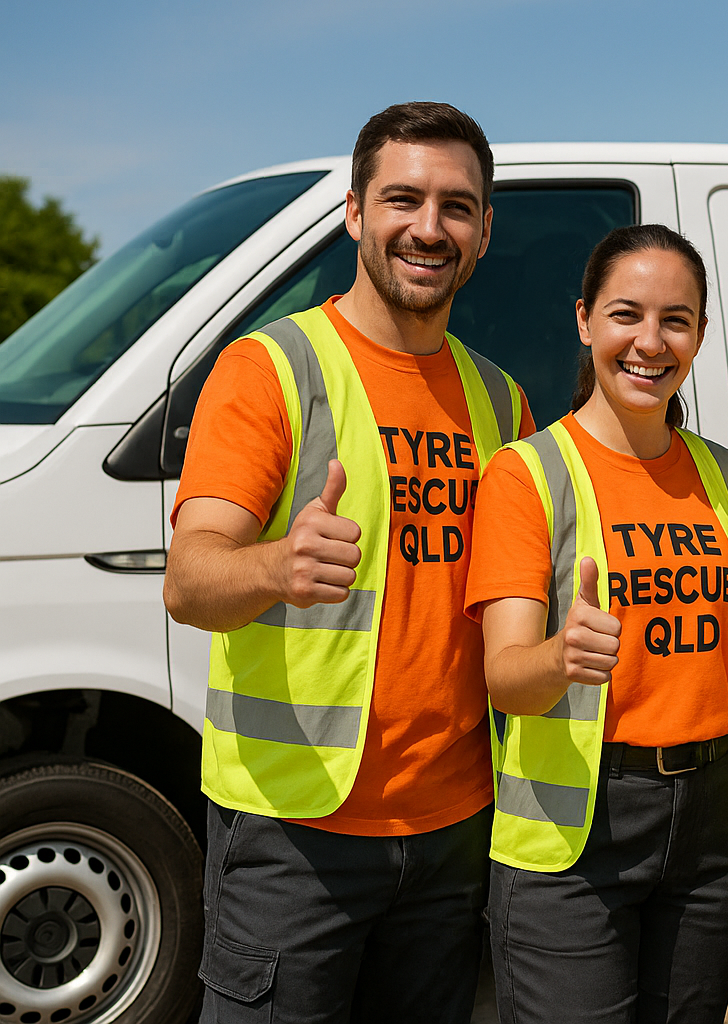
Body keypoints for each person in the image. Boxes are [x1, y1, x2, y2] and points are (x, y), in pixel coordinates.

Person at [164, 101, 532, 1024]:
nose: (428, 226)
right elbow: (189, 579)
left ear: (484, 230)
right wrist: (278, 566)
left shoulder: (502, 401)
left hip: (454, 829)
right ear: (355, 214)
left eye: (456, 205)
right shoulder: (270, 368)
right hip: (295, 836)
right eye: (403, 198)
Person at [467, 224, 728, 1024]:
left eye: (677, 320)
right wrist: (561, 656)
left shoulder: (723, 474)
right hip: (573, 841)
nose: (650, 343)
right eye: (627, 314)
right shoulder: (527, 473)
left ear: (699, 333)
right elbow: (505, 678)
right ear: (586, 320)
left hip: (708, 829)